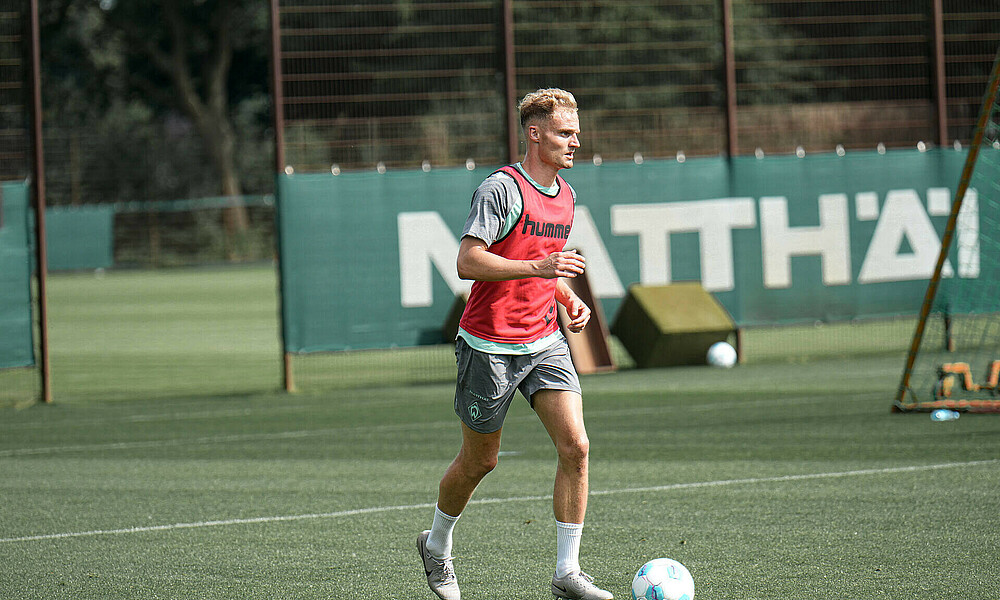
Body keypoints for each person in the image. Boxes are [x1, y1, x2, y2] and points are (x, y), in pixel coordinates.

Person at [416, 88, 613, 600]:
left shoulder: (567, 195)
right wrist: (542, 268)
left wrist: (565, 295)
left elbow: (542, 261)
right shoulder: (501, 190)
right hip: (489, 344)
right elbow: (468, 262)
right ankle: (436, 546)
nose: (576, 143)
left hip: (545, 339)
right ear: (534, 133)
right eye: (565, 134)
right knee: (481, 459)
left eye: (576, 134)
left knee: (577, 447)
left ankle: (567, 572)